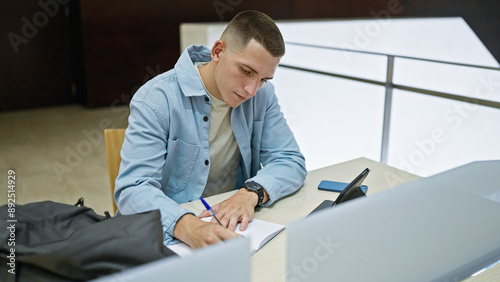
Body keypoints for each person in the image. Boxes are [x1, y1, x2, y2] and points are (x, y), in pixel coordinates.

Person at [114, 10, 307, 249]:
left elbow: (289, 160)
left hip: (230, 228)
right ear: (218, 51)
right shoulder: (156, 98)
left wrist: (250, 193)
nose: (251, 90)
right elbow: (133, 188)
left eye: (264, 79)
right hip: (166, 236)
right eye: (246, 71)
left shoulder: (262, 96)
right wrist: (188, 227)